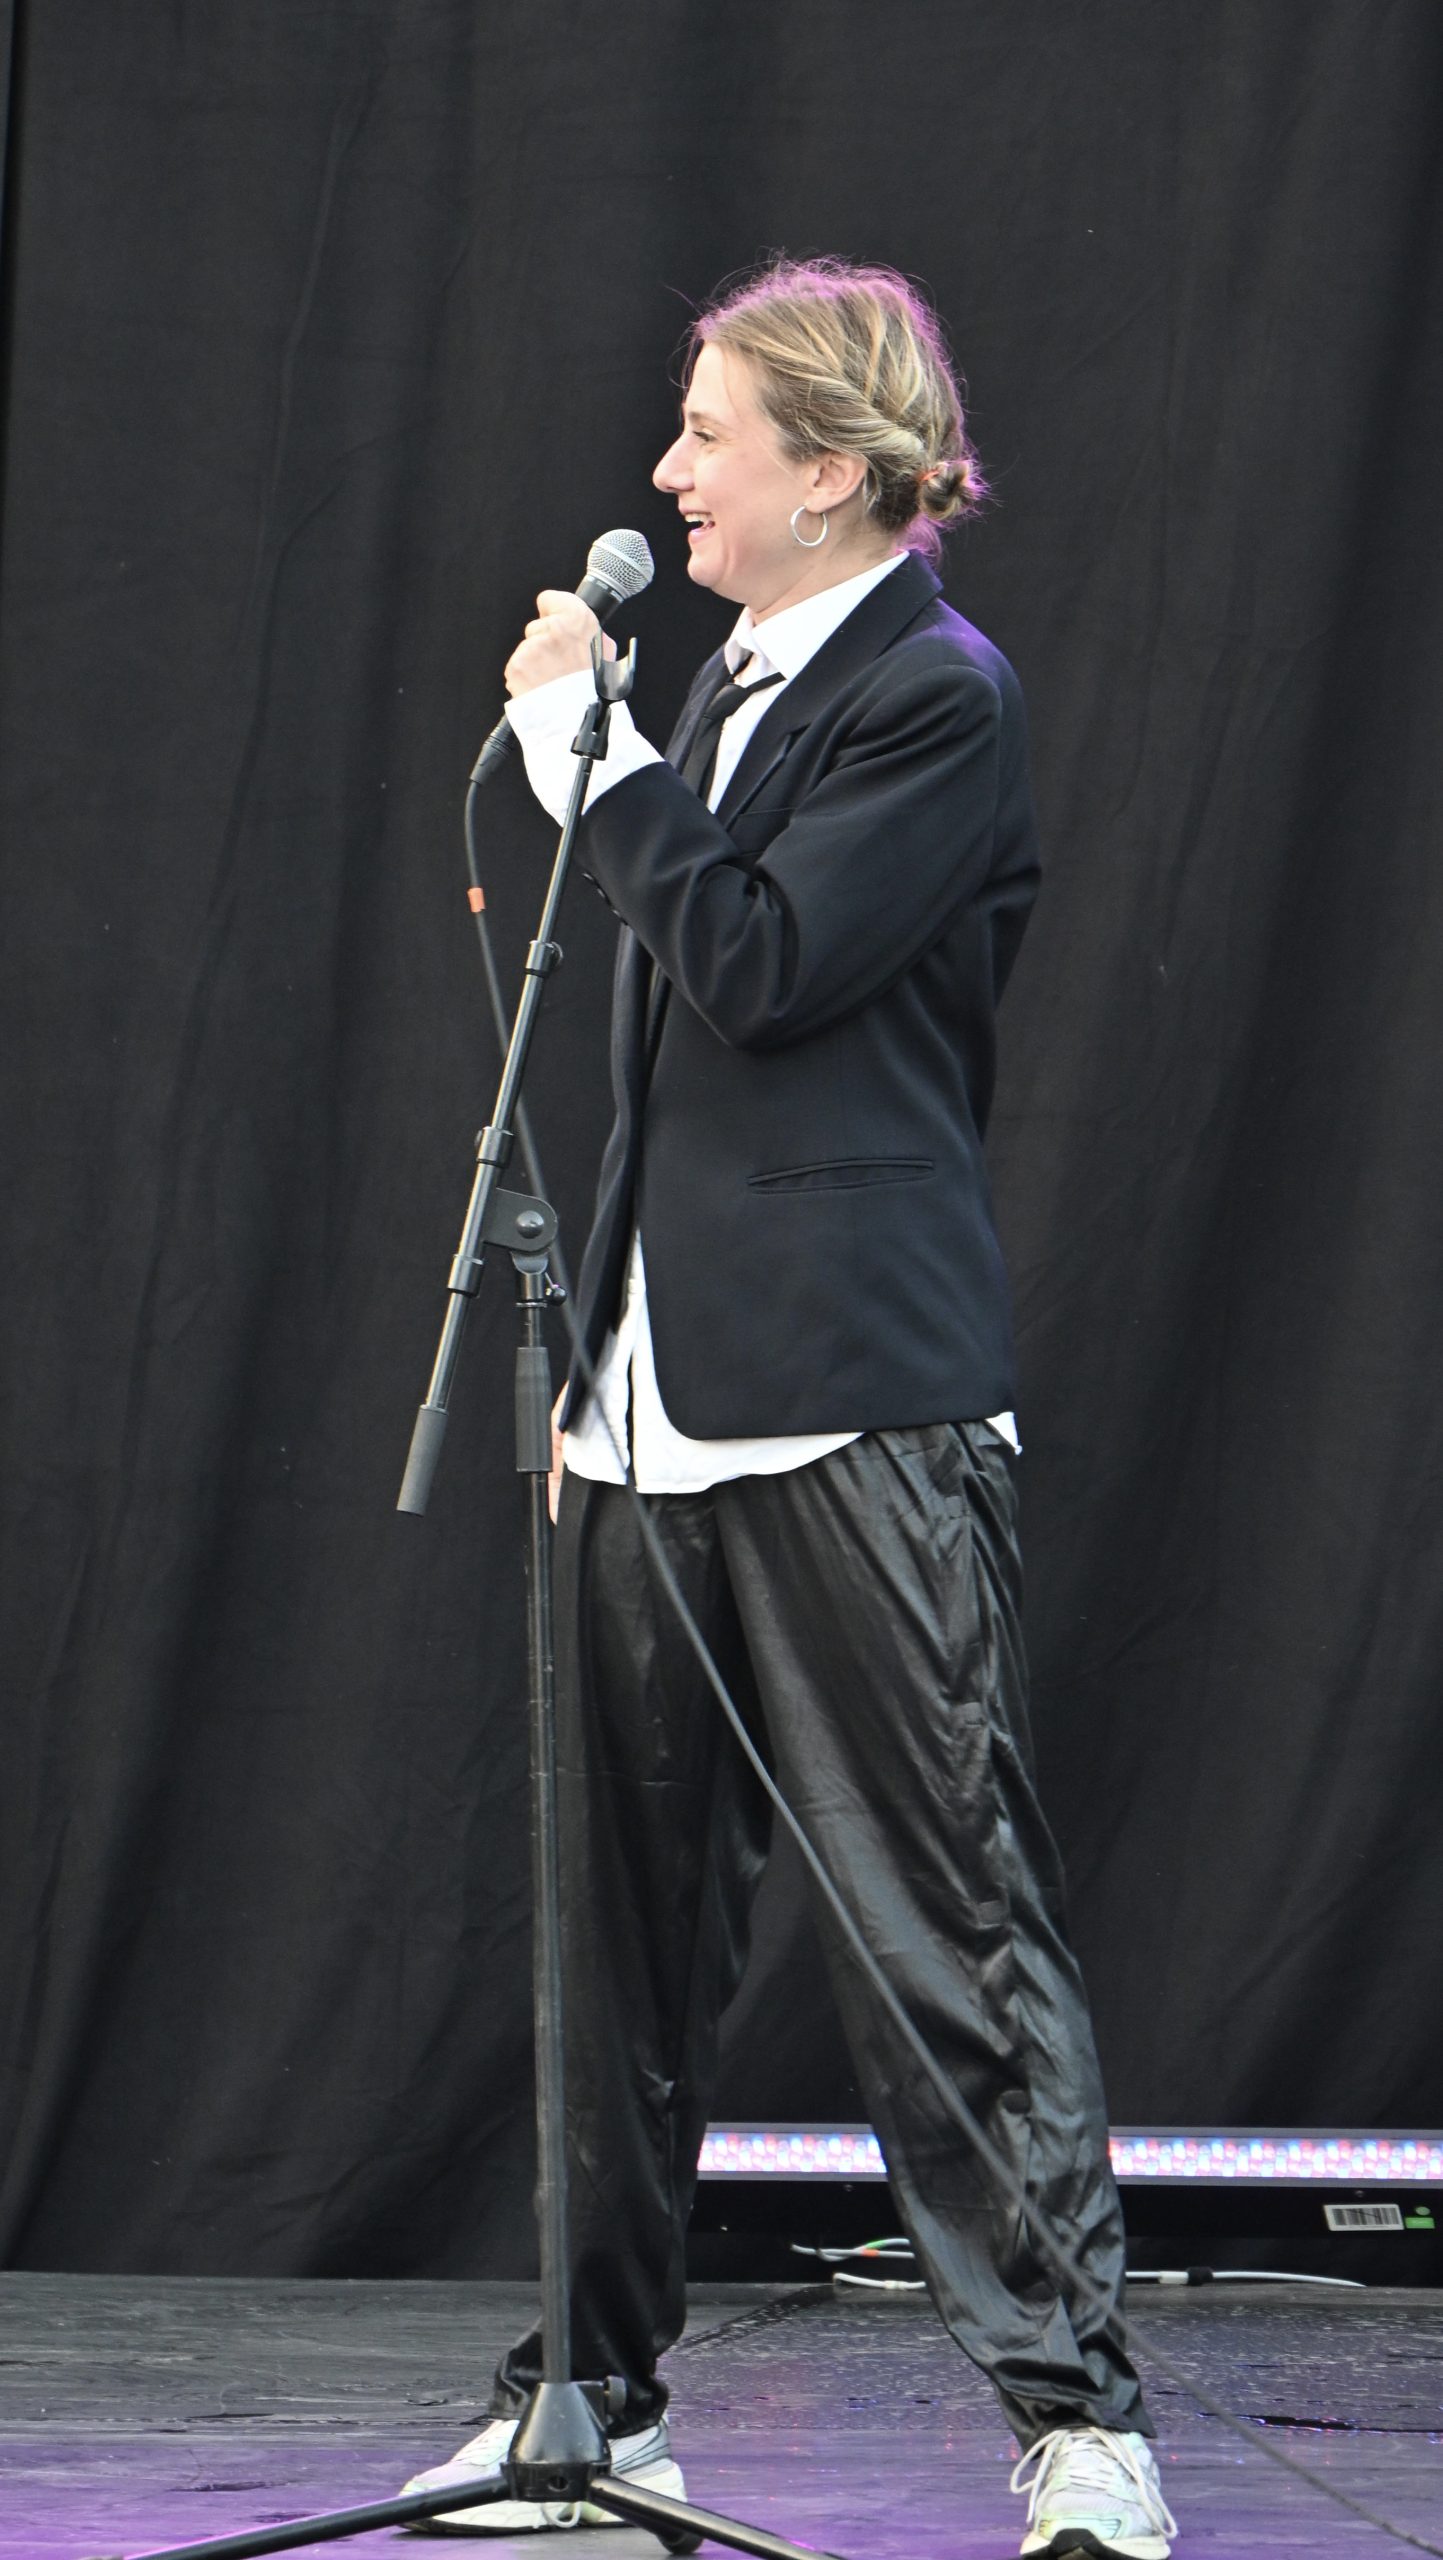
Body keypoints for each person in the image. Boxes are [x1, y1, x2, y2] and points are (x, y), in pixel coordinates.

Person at [404, 259, 1178, 2558]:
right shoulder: (722, 691)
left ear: (832, 471)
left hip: (858, 1403)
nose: (666, 471)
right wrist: (605, 1366)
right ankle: (586, 2401)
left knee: (945, 1920)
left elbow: (754, 968)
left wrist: (597, 752)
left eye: (706, 433)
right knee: (613, 1940)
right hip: (658, 1409)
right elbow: (672, 1067)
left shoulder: (931, 696)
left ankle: (1077, 2418)